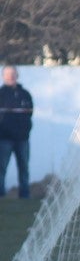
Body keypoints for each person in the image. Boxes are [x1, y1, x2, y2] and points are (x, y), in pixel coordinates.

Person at [0, 65, 35, 199]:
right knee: (1, 167)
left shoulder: (25, 94)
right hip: (4, 139)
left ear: (17, 75)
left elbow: (29, 113)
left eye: (13, 74)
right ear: (3, 76)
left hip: (22, 139)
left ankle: (24, 194)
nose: (11, 77)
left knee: (24, 167)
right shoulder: (1, 94)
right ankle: (1, 194)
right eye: (8, 74)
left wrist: (25, 130)